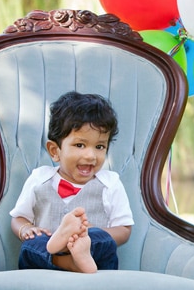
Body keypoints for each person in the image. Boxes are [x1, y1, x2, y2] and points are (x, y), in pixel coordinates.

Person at [9, 91, 133, 273]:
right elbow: (18, 218)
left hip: (94, 260)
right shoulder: (40, 178)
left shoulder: (110, 183)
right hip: (48, 262)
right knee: (31, 246)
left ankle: (80, 253)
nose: (90, 155)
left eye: (99, 147)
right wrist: (26, 229)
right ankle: (66, 262)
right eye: (80, 145)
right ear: (55, 150)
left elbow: (124, 231)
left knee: (104, 241)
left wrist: (88, 234)